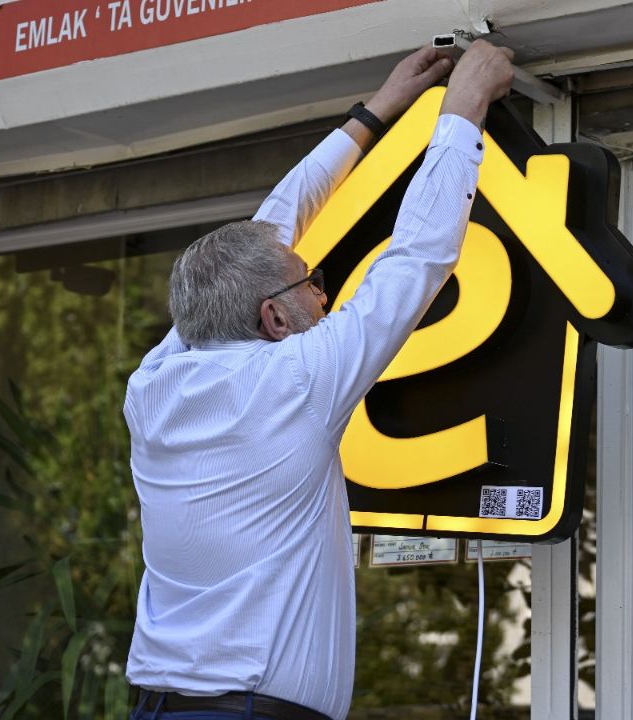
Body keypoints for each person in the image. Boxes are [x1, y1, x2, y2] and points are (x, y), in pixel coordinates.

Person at [122, 41, 515, 720]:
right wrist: (463, 106)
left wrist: (378, 109)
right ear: (274, 318)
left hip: (161, 703)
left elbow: (269, 226)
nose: (324, 297)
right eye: (313, 282)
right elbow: (416, 257)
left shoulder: (156, 380)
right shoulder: (295, 380)